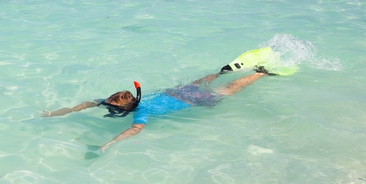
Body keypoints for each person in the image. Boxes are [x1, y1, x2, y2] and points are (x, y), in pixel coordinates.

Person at [42, 62, 277, 153]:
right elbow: (86, 103)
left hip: (190, 99)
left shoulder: (141, 111)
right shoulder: (117, 100)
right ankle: (224, 70)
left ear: (125, 106)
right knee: (203, 82)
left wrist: (109, 143)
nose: (108, 106)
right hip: (176, 92)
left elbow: (135, 130)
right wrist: (58, 112)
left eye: (114, 107)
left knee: (227, 91)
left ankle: (259, 74)